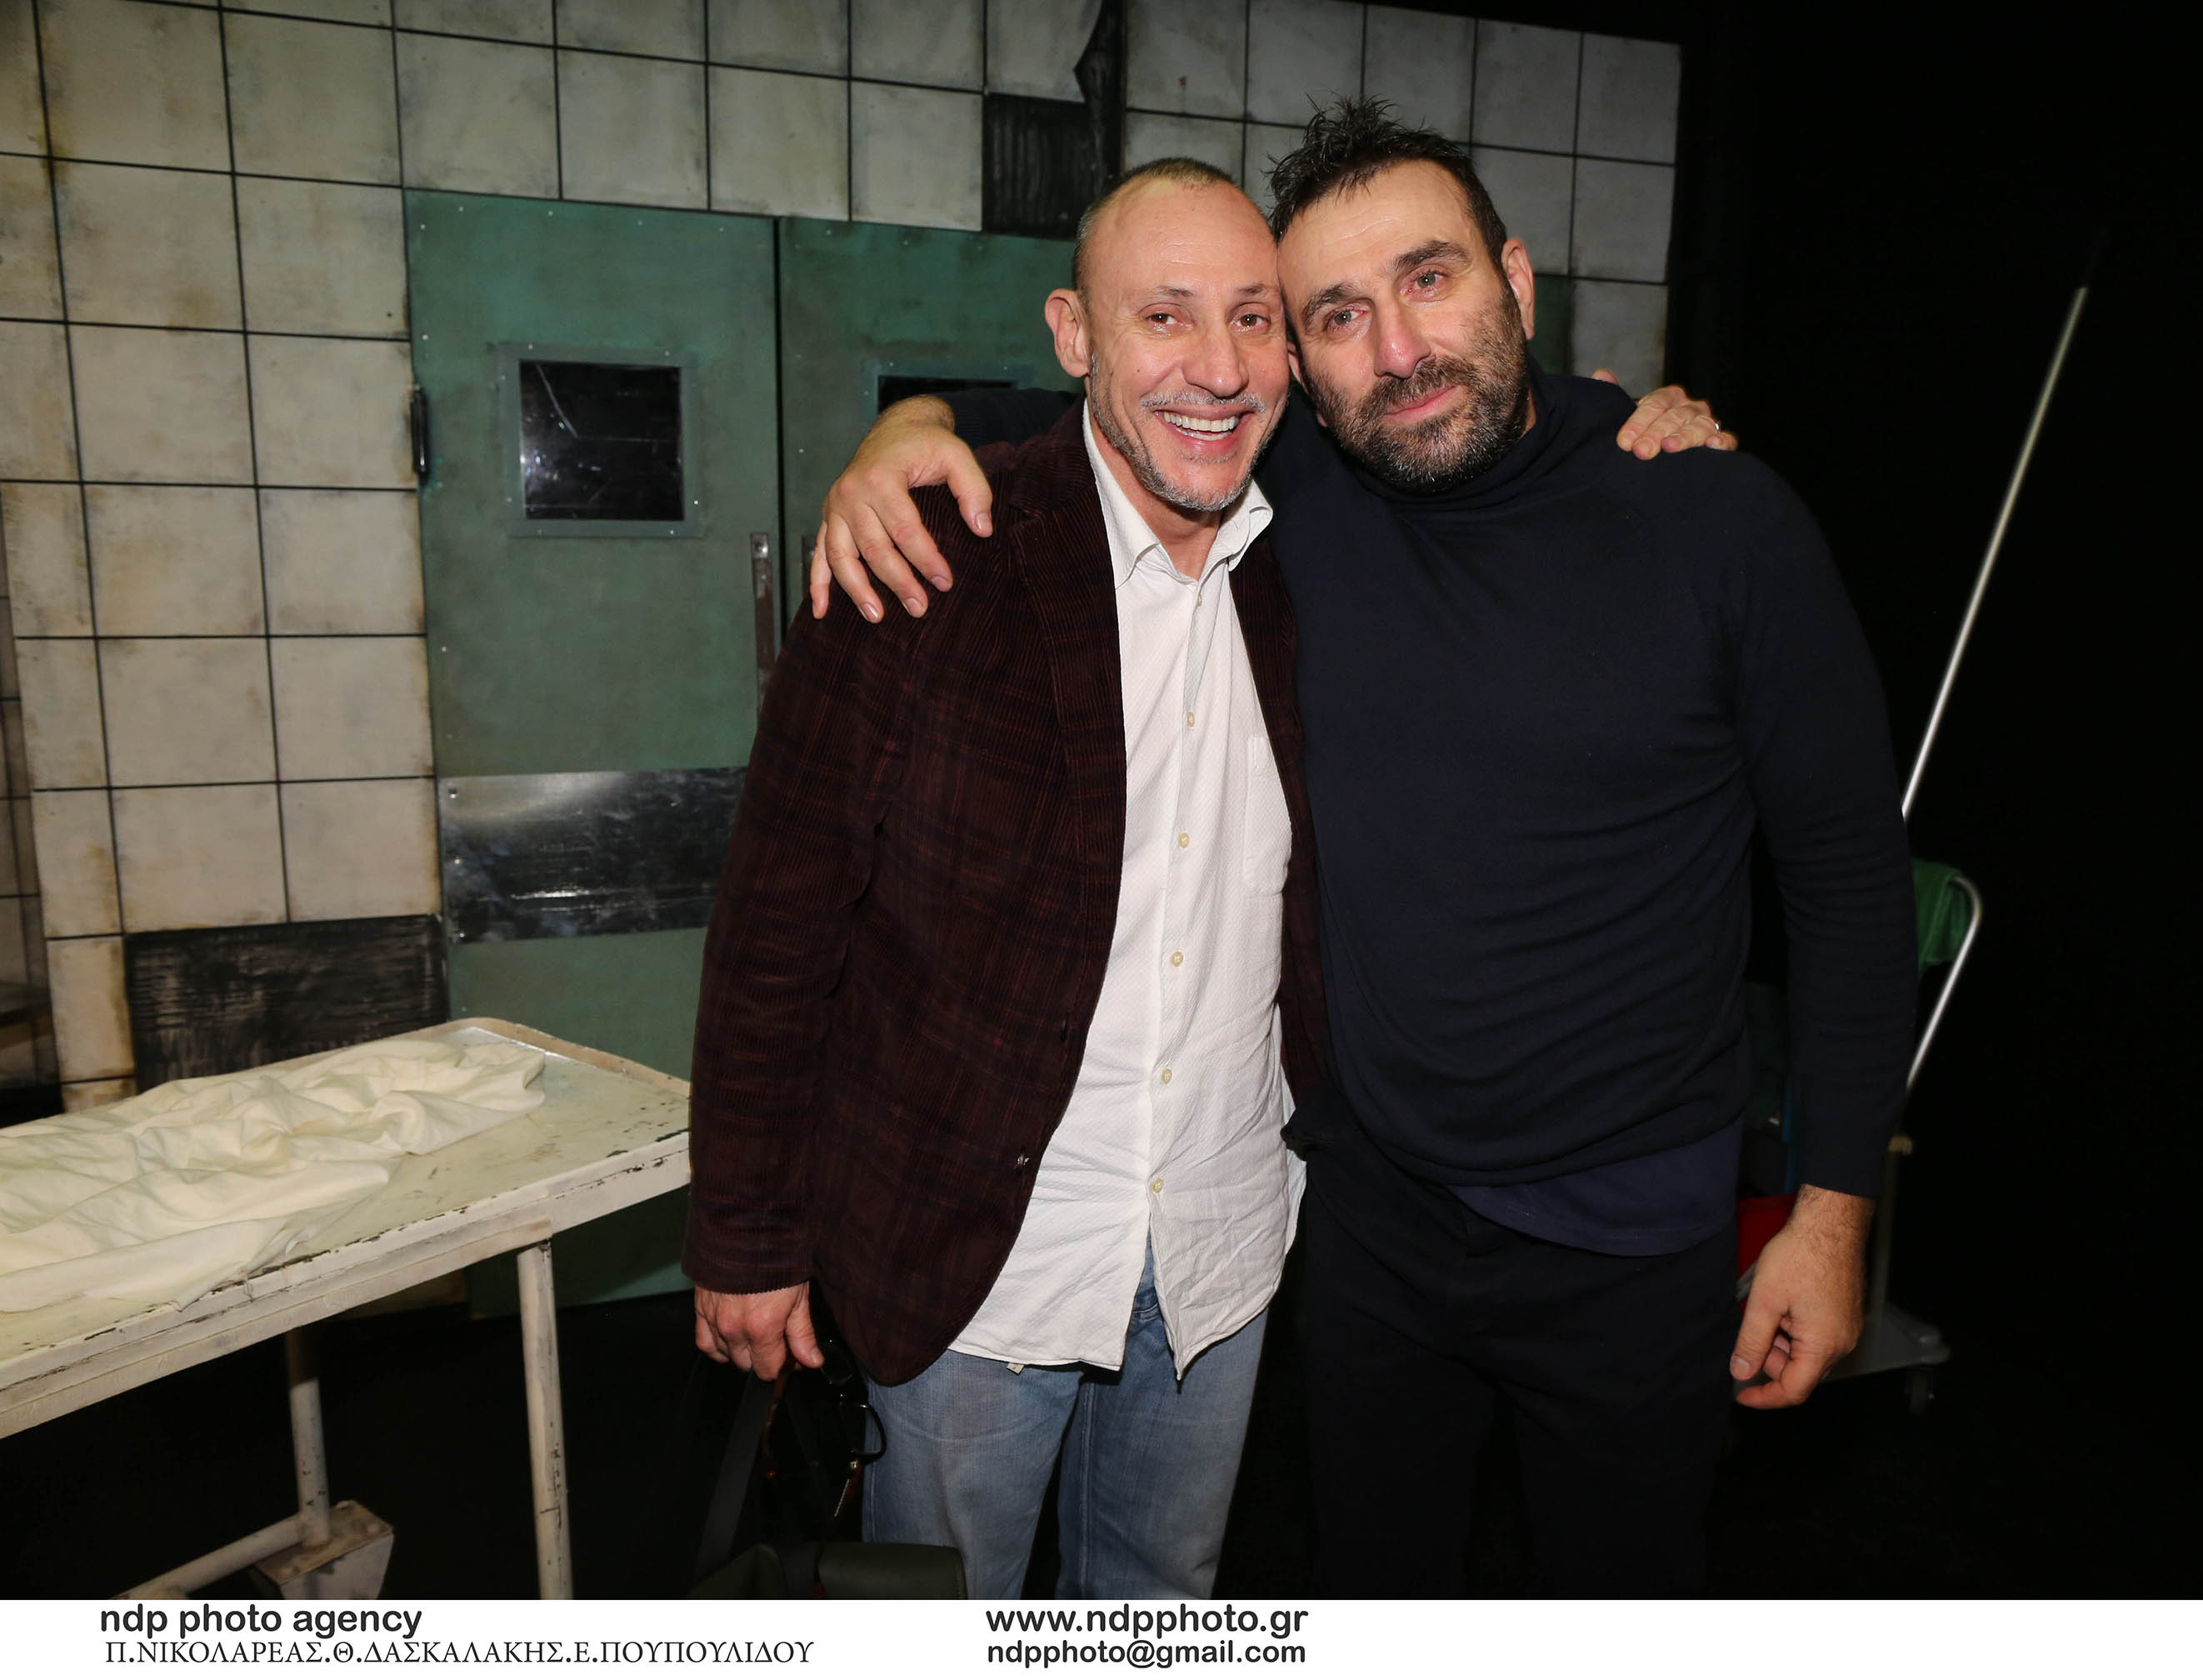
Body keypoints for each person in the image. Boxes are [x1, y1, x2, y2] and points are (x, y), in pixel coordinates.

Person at [810, 101, 1919, 1597]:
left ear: (1515, 282)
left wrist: (1834, 1218)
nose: (1397, 349)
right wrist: (907, 429)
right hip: (1370, 1231)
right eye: (1336, 314)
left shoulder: (1717, 521)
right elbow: (1086, 413)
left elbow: (1849, 888)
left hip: (1631, 1238)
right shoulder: (1300, 494)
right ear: (1301, 363)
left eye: (1429, 279)